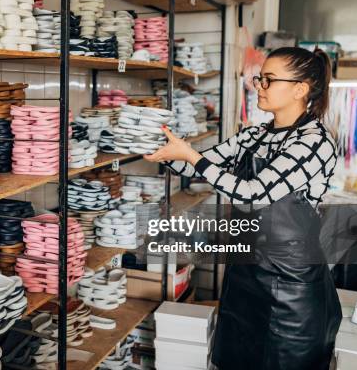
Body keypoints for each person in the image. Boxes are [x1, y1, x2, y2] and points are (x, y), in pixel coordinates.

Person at [145, 47, 342, 370]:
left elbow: (253, 195)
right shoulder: (253, 136)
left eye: (268, 80)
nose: (259, 86)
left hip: (292, 290)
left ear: (300, 88)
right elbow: (199, 168)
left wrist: (191, 156)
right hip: (244, 279)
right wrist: (164, 151)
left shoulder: (314, 142)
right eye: (259, 78)